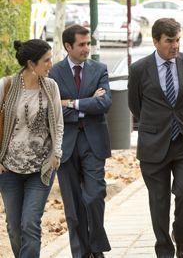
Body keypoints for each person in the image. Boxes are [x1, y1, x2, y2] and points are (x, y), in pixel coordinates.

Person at [128, 18, 183, 258]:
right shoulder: (139, 69)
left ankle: (181, 239)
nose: (175, 46)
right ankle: (164, 249)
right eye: (170, 41)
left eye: (178, 39)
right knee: (158, 202)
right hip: (153, 145)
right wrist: (156, 126)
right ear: (156, 41)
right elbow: (135, 106)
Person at [49, 24, 112, 258]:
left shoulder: (99, 69)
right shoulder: (54, 73)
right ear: (68, 46)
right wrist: (87, 103)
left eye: (88, 44)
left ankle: (96, 247)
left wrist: (72, 103)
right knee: (73, 206)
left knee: (95, 196)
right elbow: (54, 110)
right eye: (82, 45)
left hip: (94, 143)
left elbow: (104, 104)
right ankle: (81, 253)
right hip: (66, 146)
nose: (87, 48)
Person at [0, 39, 63, 257]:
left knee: (30, 223)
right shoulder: (6, 85)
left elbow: (57, 124)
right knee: (14, 228)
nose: (50, 64)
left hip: (42, 168)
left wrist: (56, 153)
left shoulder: (51, 86)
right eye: (46, 60)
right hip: (9, 169)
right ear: (30, 63)